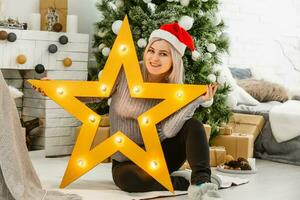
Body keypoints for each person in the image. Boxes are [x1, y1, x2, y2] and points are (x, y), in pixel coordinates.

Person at [37, 23, 222, 200]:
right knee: (128, 181)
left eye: (163, 54)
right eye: (151, 50)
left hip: (159, 154)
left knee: (193, 125)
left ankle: (201, 182)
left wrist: (195, 102)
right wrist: (55, 89)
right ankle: (177, 182)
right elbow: (96, 94)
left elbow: (167, 132)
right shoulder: (127, 71)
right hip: (126, 160)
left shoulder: (175, 88)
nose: (154, 58)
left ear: (174, 58)